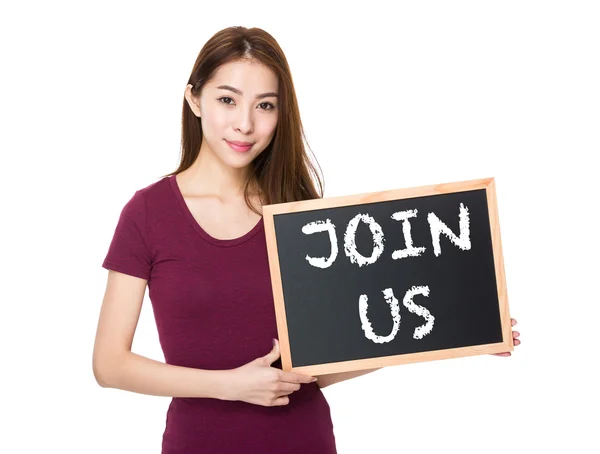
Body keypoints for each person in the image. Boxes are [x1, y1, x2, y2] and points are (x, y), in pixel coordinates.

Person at [93, 26, 521, 454]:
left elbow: (324, 363)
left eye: (265, 106)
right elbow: (109, 364)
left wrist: (446, 332)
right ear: (194, 100)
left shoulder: (302, 215)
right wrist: (229, 386)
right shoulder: (148, 213)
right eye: (227, 99)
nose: (245, 123)